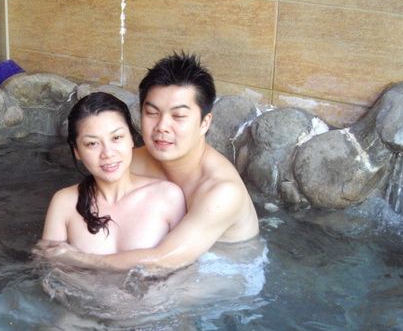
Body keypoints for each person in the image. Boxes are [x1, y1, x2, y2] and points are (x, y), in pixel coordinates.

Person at [39, 52, 259, 271]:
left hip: (220, 275)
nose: (162, 126)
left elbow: (164, 260)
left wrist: (80, 258)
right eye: (152, 113)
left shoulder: (222, 192)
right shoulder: (131, 159)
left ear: (204, 123)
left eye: (178, 116)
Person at [41, 91, 186, 253]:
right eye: (92, 143)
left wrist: (79, 259)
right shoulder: (64, 203)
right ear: (77, 151)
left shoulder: (168, 196)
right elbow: (47, 266)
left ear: (131, 138)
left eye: (116, 138)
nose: (108, 153)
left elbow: (184, 263)